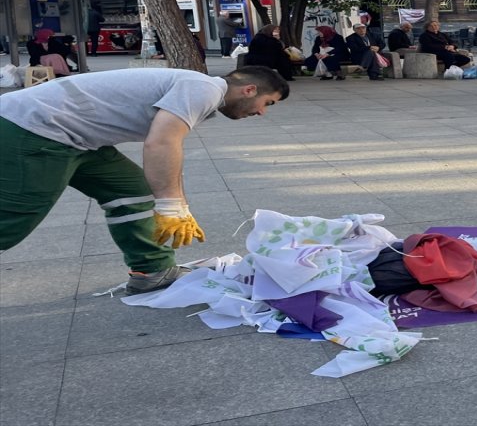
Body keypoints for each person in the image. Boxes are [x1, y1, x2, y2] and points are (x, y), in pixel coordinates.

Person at [0, 66, 288, 294]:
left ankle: (152, 271)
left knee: (133, 191)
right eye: (267, 103)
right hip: (33, 128)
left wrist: (176, 203)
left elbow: (167, 149)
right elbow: (161, 142)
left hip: (76, 138)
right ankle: (152, 268)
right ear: (249, 89)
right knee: (13, 219)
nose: (261, 112)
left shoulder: (199, 88)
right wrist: (171, 206)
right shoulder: (204, 89)